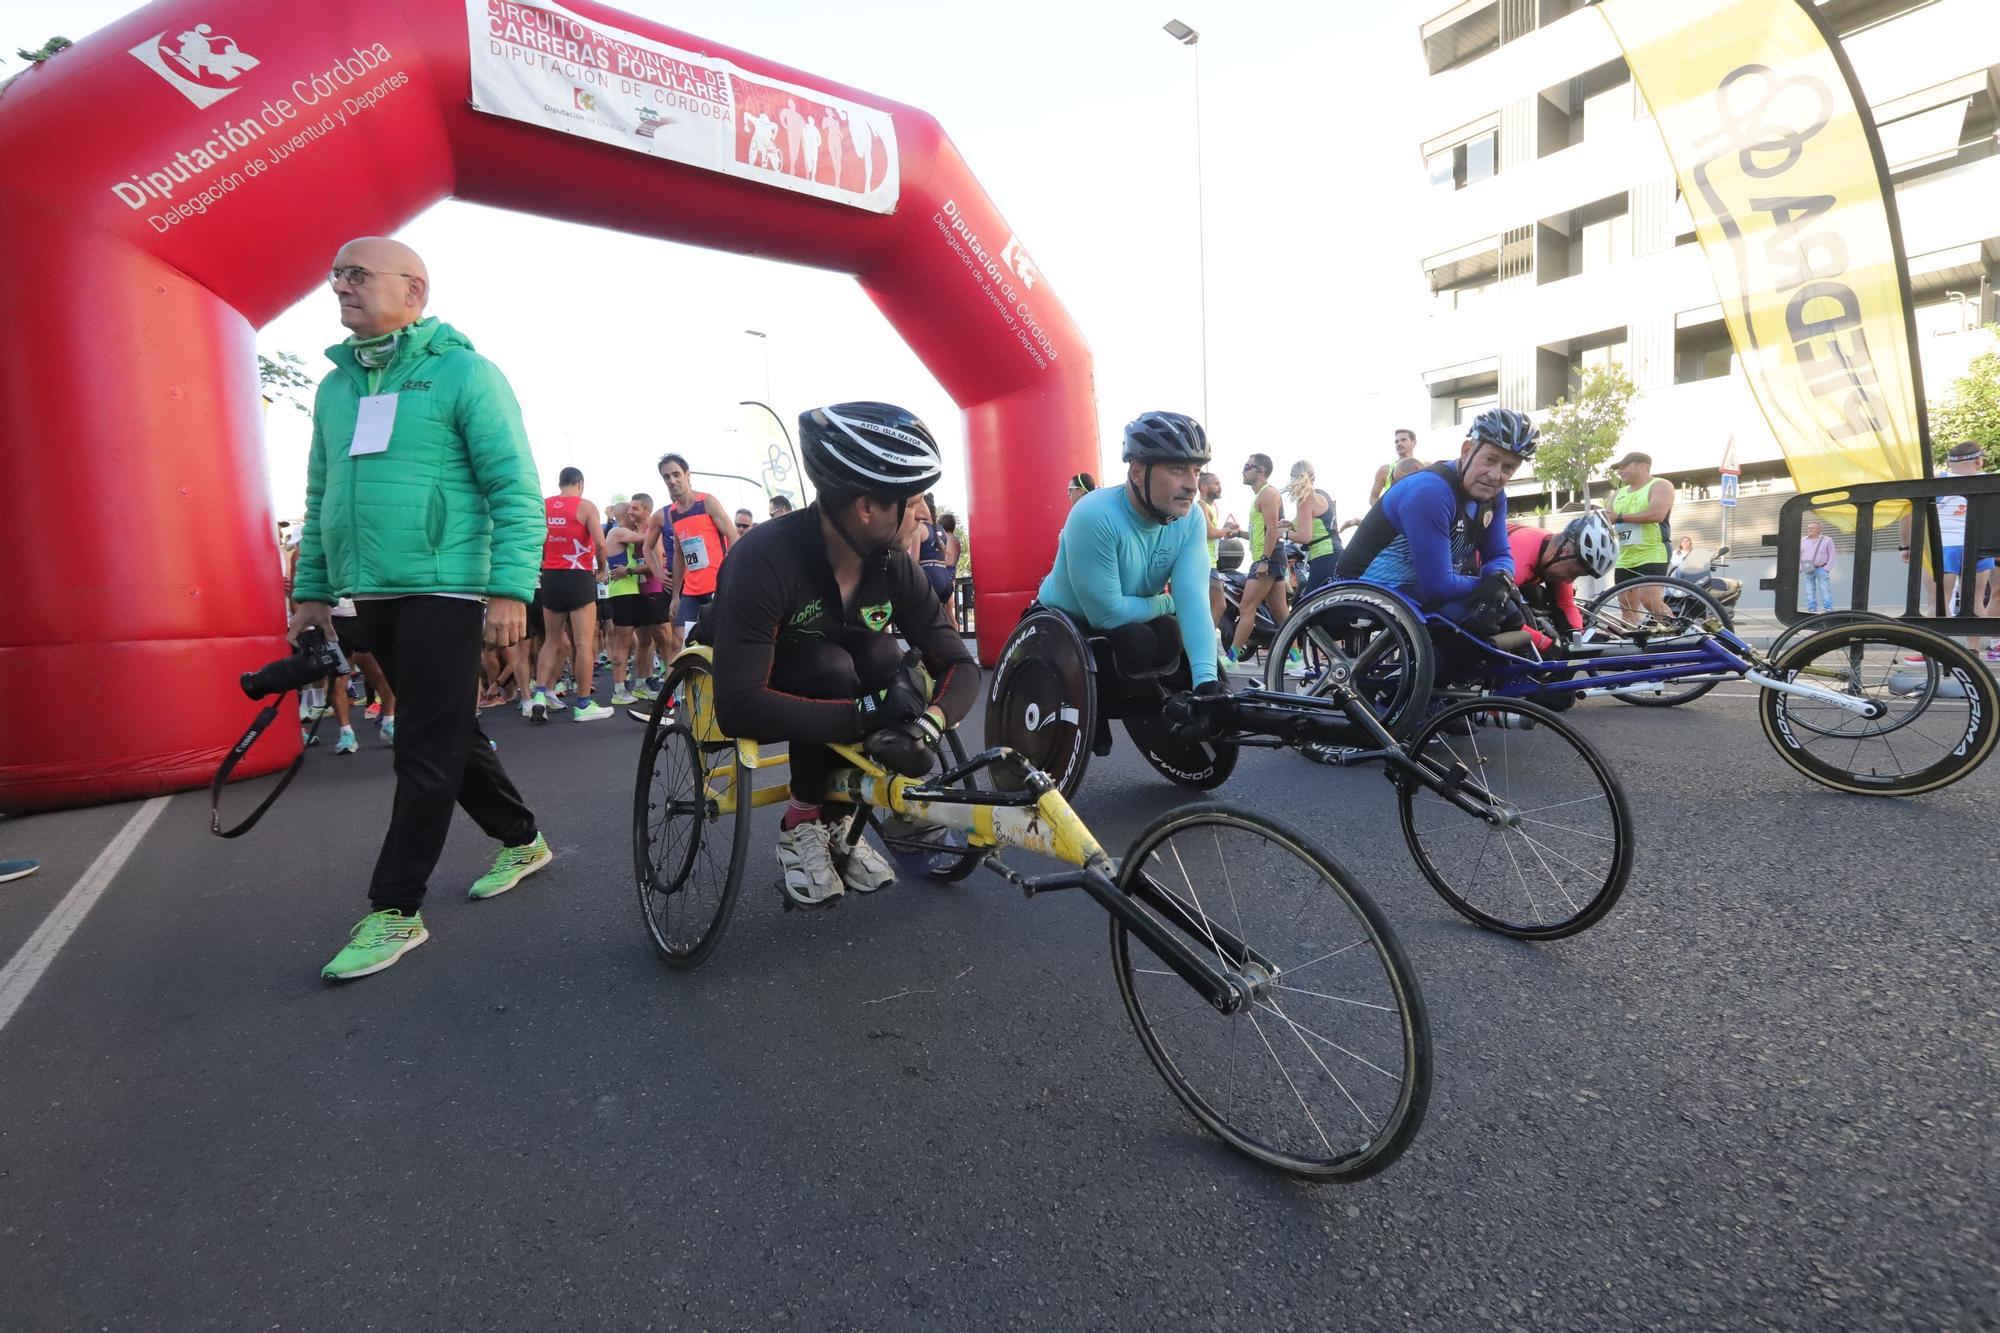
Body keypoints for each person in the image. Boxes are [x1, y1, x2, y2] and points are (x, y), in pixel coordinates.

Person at [289, 235, 551, 983]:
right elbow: (318, 493)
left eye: (358, 274)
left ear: (415, 291)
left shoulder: (465, 373)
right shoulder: (335, 388)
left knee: (423, 746)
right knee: (448, 732)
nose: (340, 284)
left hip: (447, 586)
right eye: (335, 272)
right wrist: (312, 588)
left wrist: (509, 590)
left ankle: (396, 907)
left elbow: (514, 486)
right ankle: (523, 838)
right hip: (367, 590)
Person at [704, 402, 979, 907]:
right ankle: (801, 822)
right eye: (913, 499)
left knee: (879, 653)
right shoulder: (763, 558)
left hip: (836, 676)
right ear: (866, 507)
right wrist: (865, 715)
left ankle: (840, 818)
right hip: (761, 676)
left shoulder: (893, 564)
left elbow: (960, 662)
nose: (924, 514)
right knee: (832, 665)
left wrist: (929, 726)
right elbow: (738, 705)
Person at [1039, 411, 1220, 754]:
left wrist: (1206, 683)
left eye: (1196, 470)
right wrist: (1167, 602)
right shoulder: (1094, 513)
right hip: (1065, 622)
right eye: (1178, 469)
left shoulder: (1191, 518)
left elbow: (1193, 599)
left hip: (1129, 616)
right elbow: (1106, 615)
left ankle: (1147, 705)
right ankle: (1097, 705)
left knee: (1168, 635)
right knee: (1136, 638)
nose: (1192, 485)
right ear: (1138, 471)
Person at [1334, 408, 1538, 631]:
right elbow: (1438, 585)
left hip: (1413, 590)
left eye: (1508, 468)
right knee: (1472, 625)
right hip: (1365, 590)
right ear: (1467, 450)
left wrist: (1500, 578)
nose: (1495, 475)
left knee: (1509, 614)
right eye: (1490, 460)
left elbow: (1498, 555)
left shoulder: (1494, 497)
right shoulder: (1431, 491)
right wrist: (1486, 585)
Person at [529, 467, 613, 723]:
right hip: (578, 576)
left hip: (551, 577)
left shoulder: (543, 506)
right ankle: (584, 704)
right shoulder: (585, 506)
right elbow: (600, 543)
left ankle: (540, 695)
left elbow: (534, 539)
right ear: (580, 483)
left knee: (551, 640)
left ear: (560, 483)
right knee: (583, 642)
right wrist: (600, 569)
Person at [1899, 440, 1996, 655]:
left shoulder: (1936, 481)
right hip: (1978, 547)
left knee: (1938, 602)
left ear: (1950, 463)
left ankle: (1939, 652)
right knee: (1976, 601)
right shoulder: (1991, 482)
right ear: (1979, 461)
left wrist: (1906, 545)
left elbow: (1907, 514)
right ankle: (1972, 651)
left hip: (1943, 546)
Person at [650, 452, 735, 640]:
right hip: (691, 589)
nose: (672, 480)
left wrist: (730, 575)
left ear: (687, 475)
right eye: (666, 477)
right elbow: (680, 554)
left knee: (719, 640)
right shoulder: (673, 512)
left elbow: (732, 535)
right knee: (679, 640)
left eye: (676, 474)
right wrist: (675, 596)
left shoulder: (707, 502)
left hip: (717, 585)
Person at [1506, 512, 1619, 650]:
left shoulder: (1556, 553)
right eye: (1574, 572)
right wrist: (1545, 644)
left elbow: (1565, 604)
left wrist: (1579, 638)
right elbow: (1498, 614)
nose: (1570, 579)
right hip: (1482, 590)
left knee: (1538, 596)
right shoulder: (1517, 559)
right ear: (1564, 552)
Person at [1223, 453, 1288, 668]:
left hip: (1268, 559)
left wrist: (1264, 560)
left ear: (1260, 471)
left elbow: (1272, 531)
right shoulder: (1261, 495)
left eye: (1246, 466)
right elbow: (1262, 534)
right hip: (1271, 557)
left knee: (1246, 607)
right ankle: (1295, 659)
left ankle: (1232, 657)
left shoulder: (1267, 494)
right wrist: (1239, 534)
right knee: (1280, 611)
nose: (1242, 470)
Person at [1608, 450, 1676, 627]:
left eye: (1624, 466)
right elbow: (1608, 517)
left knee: (1650, 600)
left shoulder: (1660, 485)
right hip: (1626, 555)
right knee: (1627, 605)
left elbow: (1657, 514)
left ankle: (1676, 631)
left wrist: (1620, 517)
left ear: (1643, 465)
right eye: (1618, 468)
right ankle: (1635, 641)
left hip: (1652, 551)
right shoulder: (1618, 493)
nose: (1620, 471)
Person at [914, 491, 956, 605]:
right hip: (945, 577)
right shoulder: (941, 529)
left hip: (930, 576)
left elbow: (914, 560)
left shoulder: (920, 528)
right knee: (945, 618)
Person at [1368, 428, 1421, 506]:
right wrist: (1388, 511)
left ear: (1414, 443)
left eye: (1403, 440)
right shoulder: (1385, 470)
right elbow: (1373, 498)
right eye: (1396, 442)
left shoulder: (1426, 466)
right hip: (1395, 515)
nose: (1399, 443)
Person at [1799, 517, 1836, 615]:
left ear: (1819, 529)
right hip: (1807, 566)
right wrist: (1800, 567)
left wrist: (1827, 568)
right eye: (1808, 528)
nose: (1809, 530)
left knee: (1825, 589)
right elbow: (1797, 554)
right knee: (1809, 589)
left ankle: (1828, 609)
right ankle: (1811, 608)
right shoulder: (1802, 540)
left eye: (1812, 528)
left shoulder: (1827, 540)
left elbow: (1832, 554)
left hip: (1821, 567)